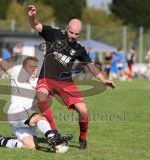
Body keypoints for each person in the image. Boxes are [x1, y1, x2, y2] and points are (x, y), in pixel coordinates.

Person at [27, 5, 116, 150]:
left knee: (83, 111)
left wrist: (103, 79)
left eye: (76, 34)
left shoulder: (79, 49)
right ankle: (54, 132)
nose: (73, 36)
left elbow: (90, 66)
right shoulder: (53, 34)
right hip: (46, 78)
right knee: (41, 97)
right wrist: (32, 15)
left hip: (65, 83)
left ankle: (83, 137)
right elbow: (35, 25)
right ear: (66, 27)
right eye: (71, 32)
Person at [0, 38, 71, 151]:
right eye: (30, 67)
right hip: (17, 113)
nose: (34, 69)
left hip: (27, 118)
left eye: (35, 67)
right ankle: (53, 137)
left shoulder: (39, 82)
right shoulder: (16, 72)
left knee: (31, 146)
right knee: (40, 119)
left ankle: (2, 141)